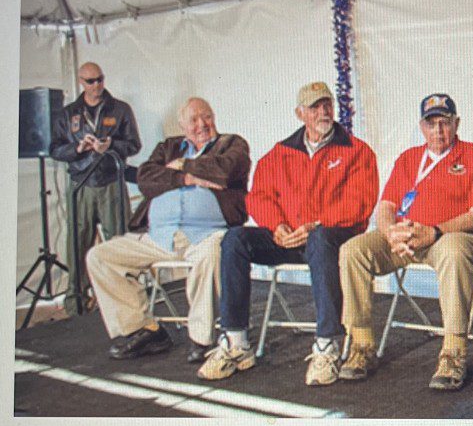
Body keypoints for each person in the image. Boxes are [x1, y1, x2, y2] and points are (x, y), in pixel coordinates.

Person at [197, 82, 379, 386]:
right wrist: (276, 227)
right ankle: (236, 342)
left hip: (333, 238)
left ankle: (327, 345)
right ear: (300, 113)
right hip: (289, 237)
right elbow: (258, 197)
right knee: (234, 240)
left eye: (327, 105)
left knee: (321, 240)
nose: (323, 112)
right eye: (314, 107)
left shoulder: (356, 151)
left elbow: (360, 203)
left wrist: (317, 223)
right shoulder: (280, 153)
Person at [337, 94, 473, 391]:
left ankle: (453, 351)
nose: (438, 131)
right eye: (431, 123)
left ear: (456, 123)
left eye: (444, 123)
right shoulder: (409, 158)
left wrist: (435, 231)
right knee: (352, 250)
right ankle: (362, 345)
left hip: (447, 238)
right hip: (405, 237)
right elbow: (385, 206)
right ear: (421, 127)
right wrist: (390, 233)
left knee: (452, 250)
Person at [87, 98, 251, 363]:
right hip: (158, 237)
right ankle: (144, 330)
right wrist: (189, 178)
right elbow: (145, 177)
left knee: (213, 253)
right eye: (194, 120)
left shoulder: (231, 143)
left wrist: (182, 165)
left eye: (206, 117)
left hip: (208, 233)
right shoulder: (169, 147)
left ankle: (202, 338)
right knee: (101, 256)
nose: (202, 125)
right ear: (182, 125)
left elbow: (226, 169)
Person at [50, 62, 142, 298]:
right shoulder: (68, 114)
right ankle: (77, 299)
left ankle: (124, 295)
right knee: (78, 243)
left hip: (111, 181)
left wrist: (110, 145)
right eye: (91, 81)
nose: (97, 85)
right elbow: (55, 150)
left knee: (118, 240)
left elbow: (134, 145)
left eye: (100, 79)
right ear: (81, 82)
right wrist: (78, 148)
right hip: (81, 183)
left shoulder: (120, 109)